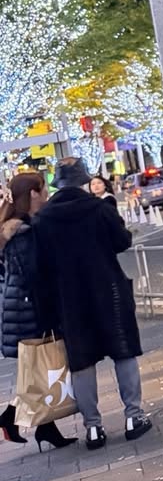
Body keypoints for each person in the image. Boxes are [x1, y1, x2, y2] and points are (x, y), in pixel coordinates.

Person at [32, 158, 152, 450]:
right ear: (83, 180)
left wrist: (46, 311)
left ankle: (94, 428)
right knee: (123, 350)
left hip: (68, 299)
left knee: (81, 361)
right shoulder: (98, 208)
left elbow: (40, 268)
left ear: (57, 184)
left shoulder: (43, 219)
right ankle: (133, 417)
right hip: (108, 290)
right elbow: (122, 241)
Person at [0, 173, 77, 451]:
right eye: (43, 190)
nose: (46, 195)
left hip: (20, 307)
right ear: (33, 193)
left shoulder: (14, 228)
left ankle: (43, 428)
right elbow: (33, 274)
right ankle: (11, 419)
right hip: (30, 309)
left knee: (37, 370)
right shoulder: (22, 231)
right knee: (39, 368)